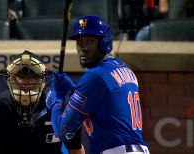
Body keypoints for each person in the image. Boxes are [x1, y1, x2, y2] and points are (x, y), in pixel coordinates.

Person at [46, 15, 150, 154]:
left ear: (104, 42)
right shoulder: (124, 68)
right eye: (79, 42)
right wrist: (73, 90)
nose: (83, 47)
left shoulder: (95, 76)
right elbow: (102, 103)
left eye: (90, 41)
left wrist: (56, 102)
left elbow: (63, 131)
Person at [0, 50, 84, 154]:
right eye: (21, 75)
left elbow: (75, 150)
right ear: (12, 79)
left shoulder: (59, 107)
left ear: (43, 80)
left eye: (33, 76)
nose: (26, 81)